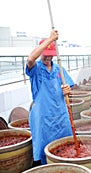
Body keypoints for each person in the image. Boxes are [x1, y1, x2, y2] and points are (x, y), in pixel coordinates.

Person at [26, 30, 74, 165]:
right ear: (41, 53)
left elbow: (69, 88)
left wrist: (68, 90)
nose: (48, 58)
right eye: (45, 55)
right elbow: (30, 59)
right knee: (44, 149)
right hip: (43, 115)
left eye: (50, 55)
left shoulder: (59, 69)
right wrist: (50, 39)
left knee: (65, 146)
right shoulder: (36, 69)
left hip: (60, 114)